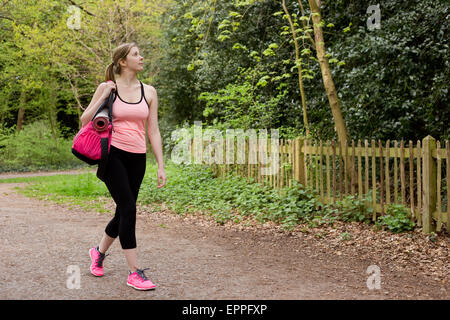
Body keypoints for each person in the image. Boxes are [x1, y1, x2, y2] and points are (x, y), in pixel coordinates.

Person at [80, 42, 166, 291]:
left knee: (123, 211)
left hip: (138, 157)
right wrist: (105, 96)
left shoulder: (149, 91)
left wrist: (160, 164)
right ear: (122, 62)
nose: (142, 57)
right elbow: (85, 119)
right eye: (136, 54)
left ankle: (98, 252)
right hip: (112, 154)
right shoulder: (108, 87)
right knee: (128, 208)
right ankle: (134, 273)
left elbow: (154, 130)